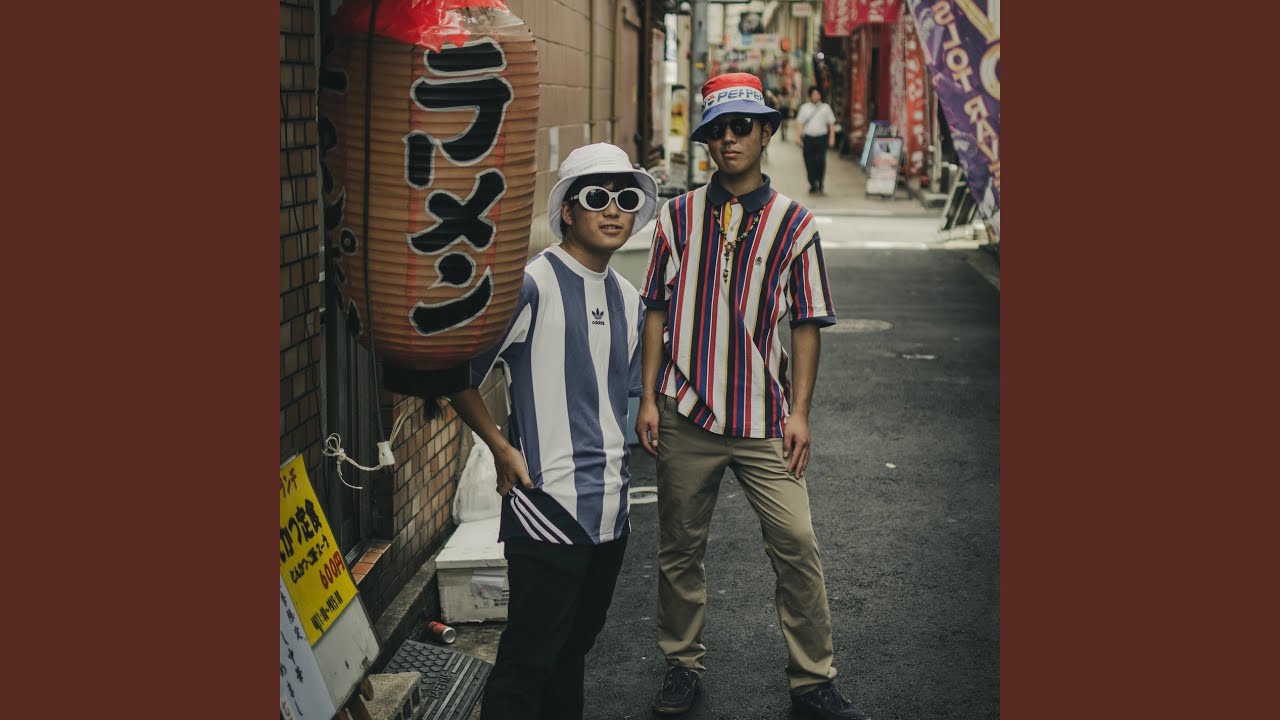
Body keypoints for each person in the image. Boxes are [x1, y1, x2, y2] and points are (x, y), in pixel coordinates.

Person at [636, 73, 867, 720]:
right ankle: (681, 665)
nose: (729, 139)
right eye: (717, 130)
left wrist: (800, 413)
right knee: (679, 548)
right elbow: (654, 308)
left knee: (796, 542)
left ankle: (813, 680)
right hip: (687, 409)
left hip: (765, 415)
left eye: (742, 126)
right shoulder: (677, 216)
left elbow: (808, 321)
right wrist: (650, 397)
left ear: (767, 132)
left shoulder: (794, 223)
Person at [448, 142, 658, 720]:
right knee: (528, 662)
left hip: (612, 511)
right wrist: (499, 447)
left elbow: (621, 395)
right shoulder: (531, 285)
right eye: (596, 197)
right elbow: (458, 375)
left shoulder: (628, 297)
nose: (613, 209)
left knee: (573, 653)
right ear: (567, 209)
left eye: (625, 198)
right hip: (547, 507)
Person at [795, 86, 837, 194]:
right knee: (808, 162)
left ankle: (820, 182)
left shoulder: (826, 108)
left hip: (821, 139)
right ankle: (812, 183)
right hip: (808, 139)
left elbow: (831, 124)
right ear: (810, 96)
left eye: (817, 94)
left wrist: (832, 138)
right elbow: (799, 123)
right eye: (814, 94)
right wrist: (798, 137)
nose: (816, 96)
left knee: (820, 161)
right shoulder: (804, 108)